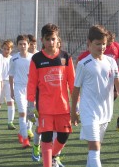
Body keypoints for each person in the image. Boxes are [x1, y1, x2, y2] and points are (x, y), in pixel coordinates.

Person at [71, 25, 119, 167]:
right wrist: (73, 111)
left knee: (94, 149)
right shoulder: (83, 64)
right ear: (89, 44)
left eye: (104, 44)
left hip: (105, 112)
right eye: (98, 44)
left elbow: (118, 83)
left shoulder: (111, 62)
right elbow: (76, 89)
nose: (102, 47)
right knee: (95, 148)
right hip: (88, 112)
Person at [27, 23, 75, 167]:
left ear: (57, 39)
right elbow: (31, 84)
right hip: (45, 108)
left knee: (64, 135)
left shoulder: (65, 57)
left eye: (53, 39)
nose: (51, 42)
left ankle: (53, 156)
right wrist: (30, 105)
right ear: (42, 40)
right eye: (47, 39)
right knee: (47, 136)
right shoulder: (36, 59)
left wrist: (76, 105)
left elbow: (73, 83)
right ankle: (47, 164)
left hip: (63, 107)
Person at [9, 35, 33, 148]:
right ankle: (25, 139)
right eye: (20, 44)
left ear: (28, 45)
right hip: (19, 88)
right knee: (23, 113)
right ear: (17, 45)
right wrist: (12, 90)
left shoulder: (33, 58)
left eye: (25, 44)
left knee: (31, 114)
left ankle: (21, 132)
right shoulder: (13, 58)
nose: (23, 46)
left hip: (31, 88)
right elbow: (11, 75)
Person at [0, 40, 17, 130]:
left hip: (9, 83)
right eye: (4, 49)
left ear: (11, 49)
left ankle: (10, 122)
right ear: (2, 49)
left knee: (10, 102)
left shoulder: (13, 59)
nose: (6, 50)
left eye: (8, 49)